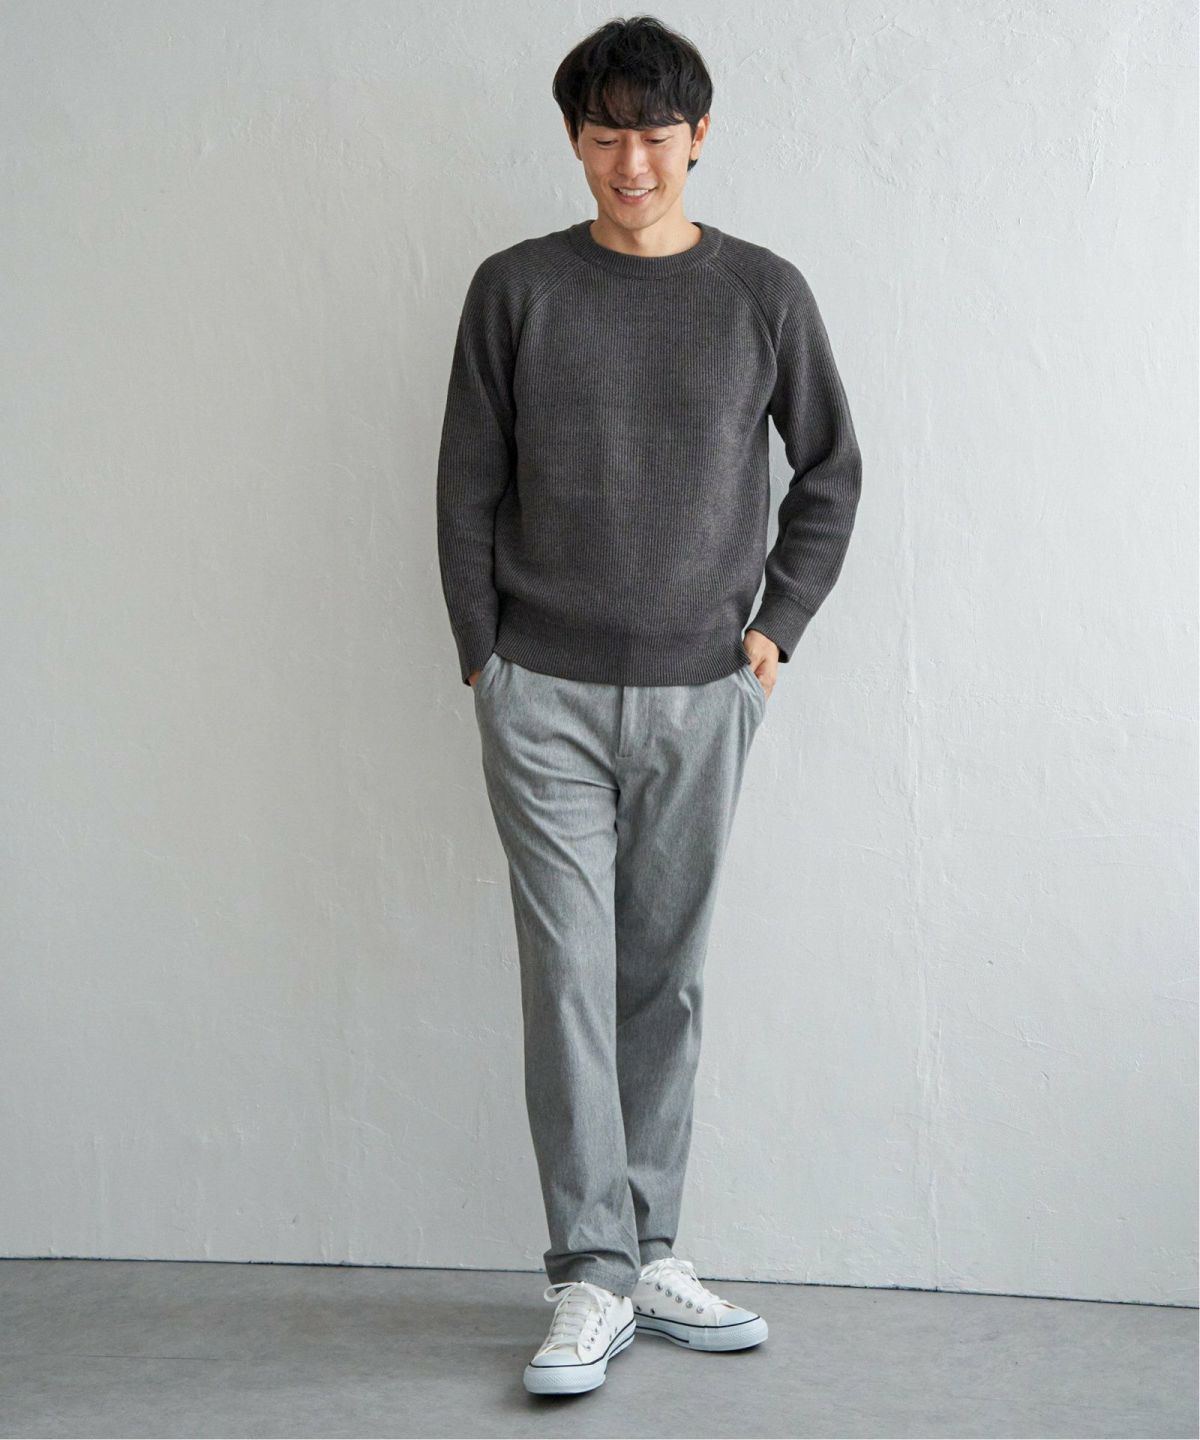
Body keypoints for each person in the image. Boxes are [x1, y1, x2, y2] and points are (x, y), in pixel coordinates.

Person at [436, 15, 862, 1398]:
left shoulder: (763, 293)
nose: (632, 162)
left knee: (661, 981)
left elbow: (832, 471)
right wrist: (484, 657)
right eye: (605, 134)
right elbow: (466, 483)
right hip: (542, 694)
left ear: (700, 136)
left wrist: (775, 629)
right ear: (575, 140)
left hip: (701, 691)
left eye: (655, 135)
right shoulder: (516, 288)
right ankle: (589, 1272)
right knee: (568, 977)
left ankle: (649, 1252)